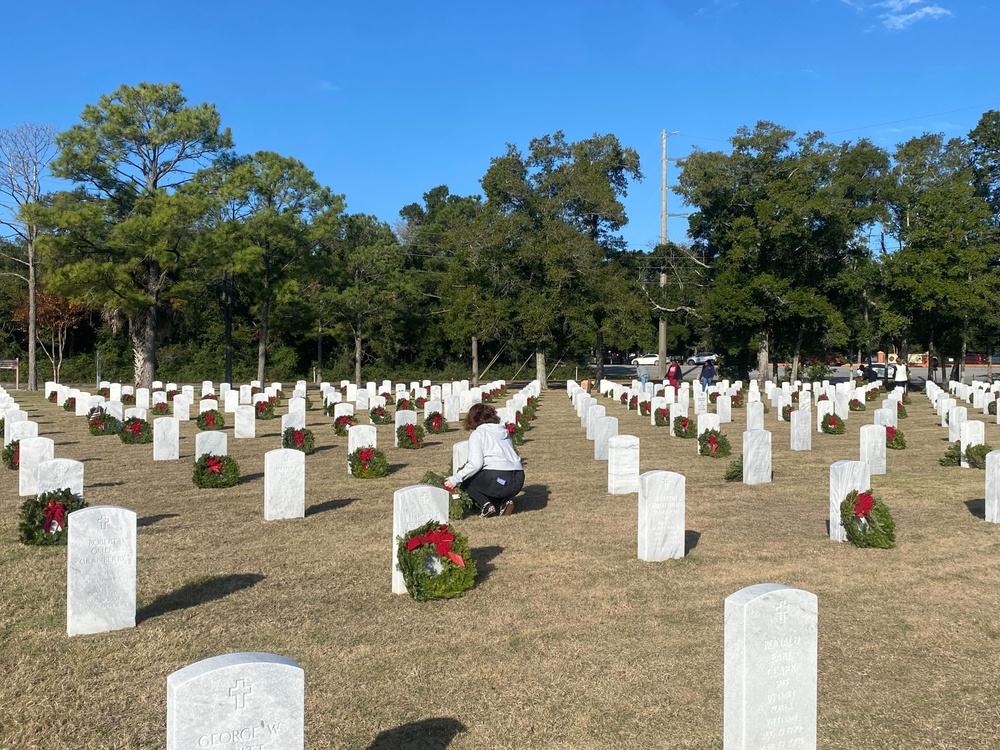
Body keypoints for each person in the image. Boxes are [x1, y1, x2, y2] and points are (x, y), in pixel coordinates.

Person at [445, 403, 525, 518]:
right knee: (492, 481)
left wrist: (454, 479)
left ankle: (487, 505)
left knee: (466, 478)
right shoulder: (504, 431)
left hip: (500, 480)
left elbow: (475, 464)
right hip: (518, 480)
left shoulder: (478, 433)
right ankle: (504, 502)